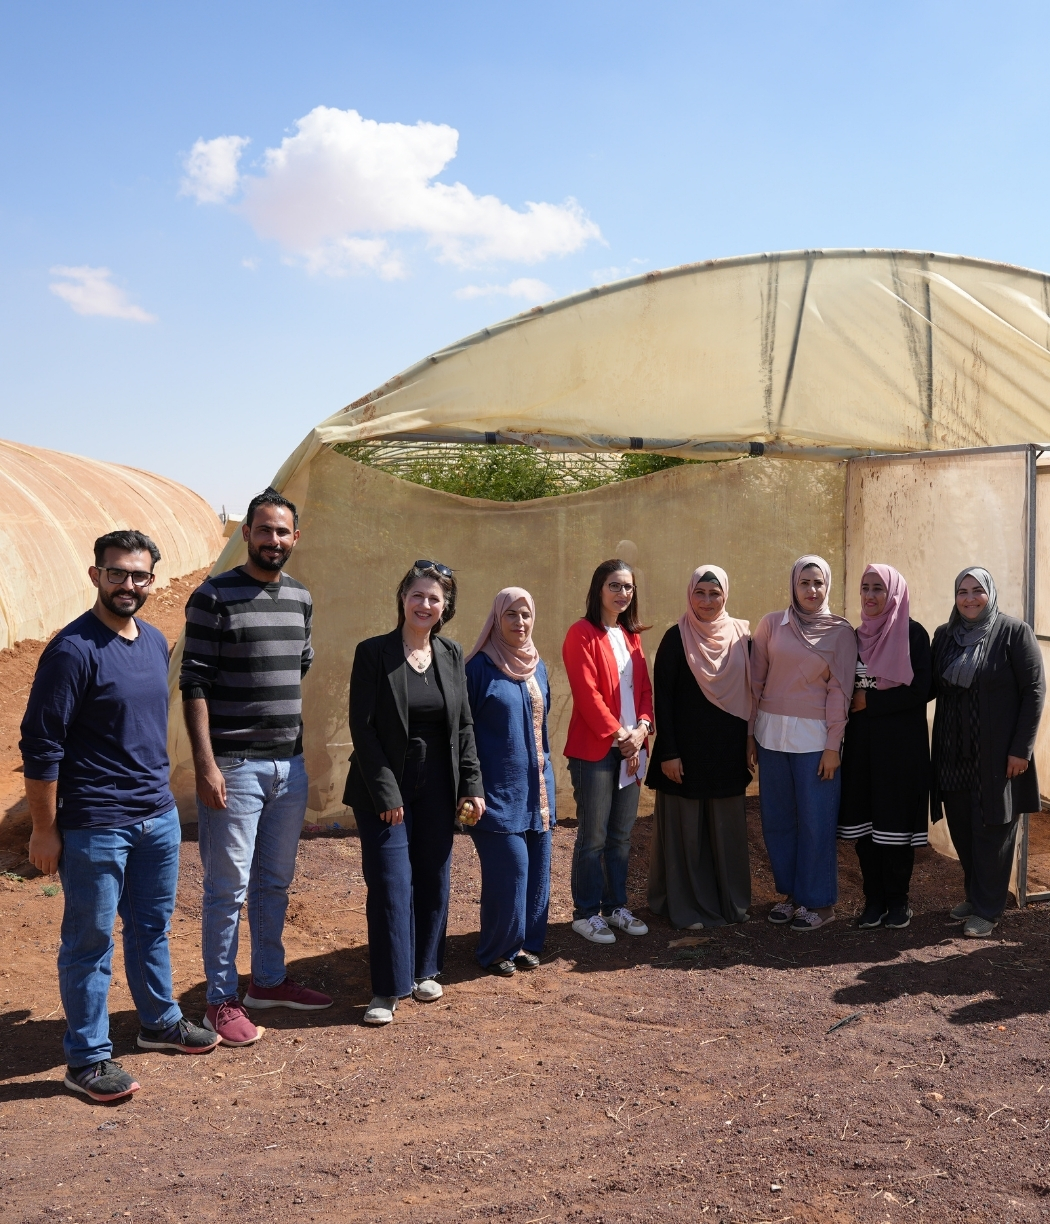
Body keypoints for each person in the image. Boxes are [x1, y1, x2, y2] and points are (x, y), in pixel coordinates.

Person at [20, 530, 219, 1103]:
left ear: (152, 580)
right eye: (117, 573)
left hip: (156, 816)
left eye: (139, 575)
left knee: (152, 927)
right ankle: (86, 1058)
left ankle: (159, 1022)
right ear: (96, 576)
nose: (128, 585)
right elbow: (41, 746)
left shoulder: (154, 641)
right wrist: (43, 829)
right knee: (90, 942)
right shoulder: (72, 650)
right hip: (95, 824)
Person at [181, 488, 332, 1048]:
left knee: (274, 882)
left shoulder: (300, 598)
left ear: (296, 537)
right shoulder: (213, 596)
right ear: (245, 533)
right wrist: (207, 765)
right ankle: (220, 1000)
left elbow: (297, 667)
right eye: (263, 529)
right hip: (235, 767)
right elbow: (194, 682)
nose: (273, 540)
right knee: (228, 889)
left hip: (288, 766)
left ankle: (267, 981)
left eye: (282, 531)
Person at [344, 561, 485, 1024]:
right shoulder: (373, 652)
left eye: (434, 598)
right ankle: (387, 989)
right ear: (403, 598)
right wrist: (387, 794)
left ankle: (425, 968)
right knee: (390, 883)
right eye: (417, 595)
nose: (425, 604)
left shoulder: (451, 653)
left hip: (439, 786)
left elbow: (463, 725)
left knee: (432, 877)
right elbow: (363, 729)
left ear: (446, 607)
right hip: (383, 785)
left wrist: (471, 785)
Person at [931, 567, 1045, 937]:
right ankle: (975, 894)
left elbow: (1034, 691)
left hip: (996, 756)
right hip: (952, 753)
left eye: (977, 590)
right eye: (962, 591)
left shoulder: (1013, 632)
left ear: (990, 593)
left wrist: (1021, 749)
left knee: (993, 830)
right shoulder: (945, 635)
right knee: (962, 829)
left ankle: (988, 908)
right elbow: (928, 685)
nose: (969, 598)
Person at [751, 554, 857, 933]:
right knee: (777, 820)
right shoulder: (771, 625)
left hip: (815, 741)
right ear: (793, 586)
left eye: (818, 583)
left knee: (816, 821)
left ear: (827, 586)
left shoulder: (841, 632)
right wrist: (749, 733)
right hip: (770, 736)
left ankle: (820, 902)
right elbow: (755, 683)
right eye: (804, 583)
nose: (812, 590)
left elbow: (840, 691)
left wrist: (832, 746)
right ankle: (792, 895)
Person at [647, 565, 752, 928]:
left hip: (728, 752)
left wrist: (750, 740)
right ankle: (688, 905)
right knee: (687, 834)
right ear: (690, 594)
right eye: (700, 593)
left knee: (727, 832)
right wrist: (669, 753)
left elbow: (755, 692)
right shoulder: (675, 638)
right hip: (685, 754)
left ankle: (729, 903)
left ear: (726, 595)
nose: (707, 601)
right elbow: (663, 699)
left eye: (715, 593)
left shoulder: (742, 636)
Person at [563, 558, 654, 945]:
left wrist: (643, 728)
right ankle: (585, 913)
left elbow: (645, 691)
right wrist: (622, 736)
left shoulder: (632, 636)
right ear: (598, 589)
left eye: (628, 587)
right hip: (597, 750)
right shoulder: (581, 634)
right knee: (594, 836)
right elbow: (587, 696)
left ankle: (615, 907)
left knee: (621, 835)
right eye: (615, 585)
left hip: (633, 746)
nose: (622, 593)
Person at [465, 588, 556, 975]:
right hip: (495, 794)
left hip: (538, 791)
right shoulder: (478, 668)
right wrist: (468, 787)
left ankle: (526, 944)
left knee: (538, 871)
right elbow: (463, 734)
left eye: (526, 614)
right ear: (496, 619)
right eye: (511, 615)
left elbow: (543, 732)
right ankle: (496, 949)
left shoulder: (538, 667)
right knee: (512, 870)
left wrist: (548, 783)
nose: (520, 622)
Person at [837, 564, 933, 930]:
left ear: (894, 593)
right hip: (861, 748)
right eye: (865, 587)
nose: (870, 595)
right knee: (866, 828)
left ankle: (898, 901)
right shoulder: (854, 637)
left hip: (901, 749)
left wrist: (870, 702)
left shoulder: (912, 634)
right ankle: (873, 900)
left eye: (879, 588)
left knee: (895, 828)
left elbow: (922, 690)